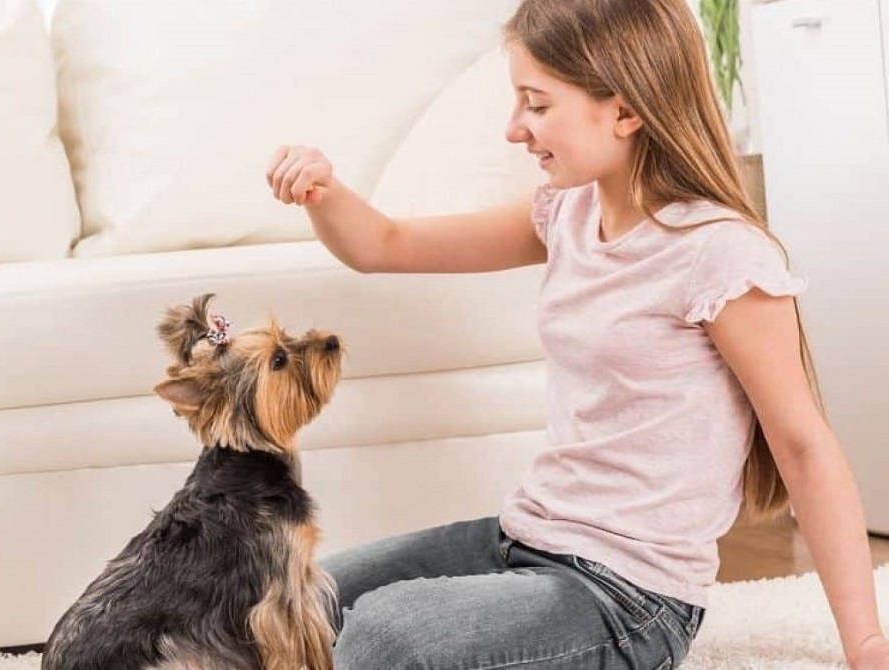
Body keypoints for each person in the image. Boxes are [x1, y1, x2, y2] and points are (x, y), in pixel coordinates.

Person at [263, 0, 889, 668]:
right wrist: (323, 191)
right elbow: (384, 244)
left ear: (624, 111)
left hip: (628, 597)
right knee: (290, 599)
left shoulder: (720, 256)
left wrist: (868, 644)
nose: (514, 130)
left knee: (387, 635)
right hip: (524, 538)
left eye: (535, 104)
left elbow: (803, 448)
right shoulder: (567, 212)